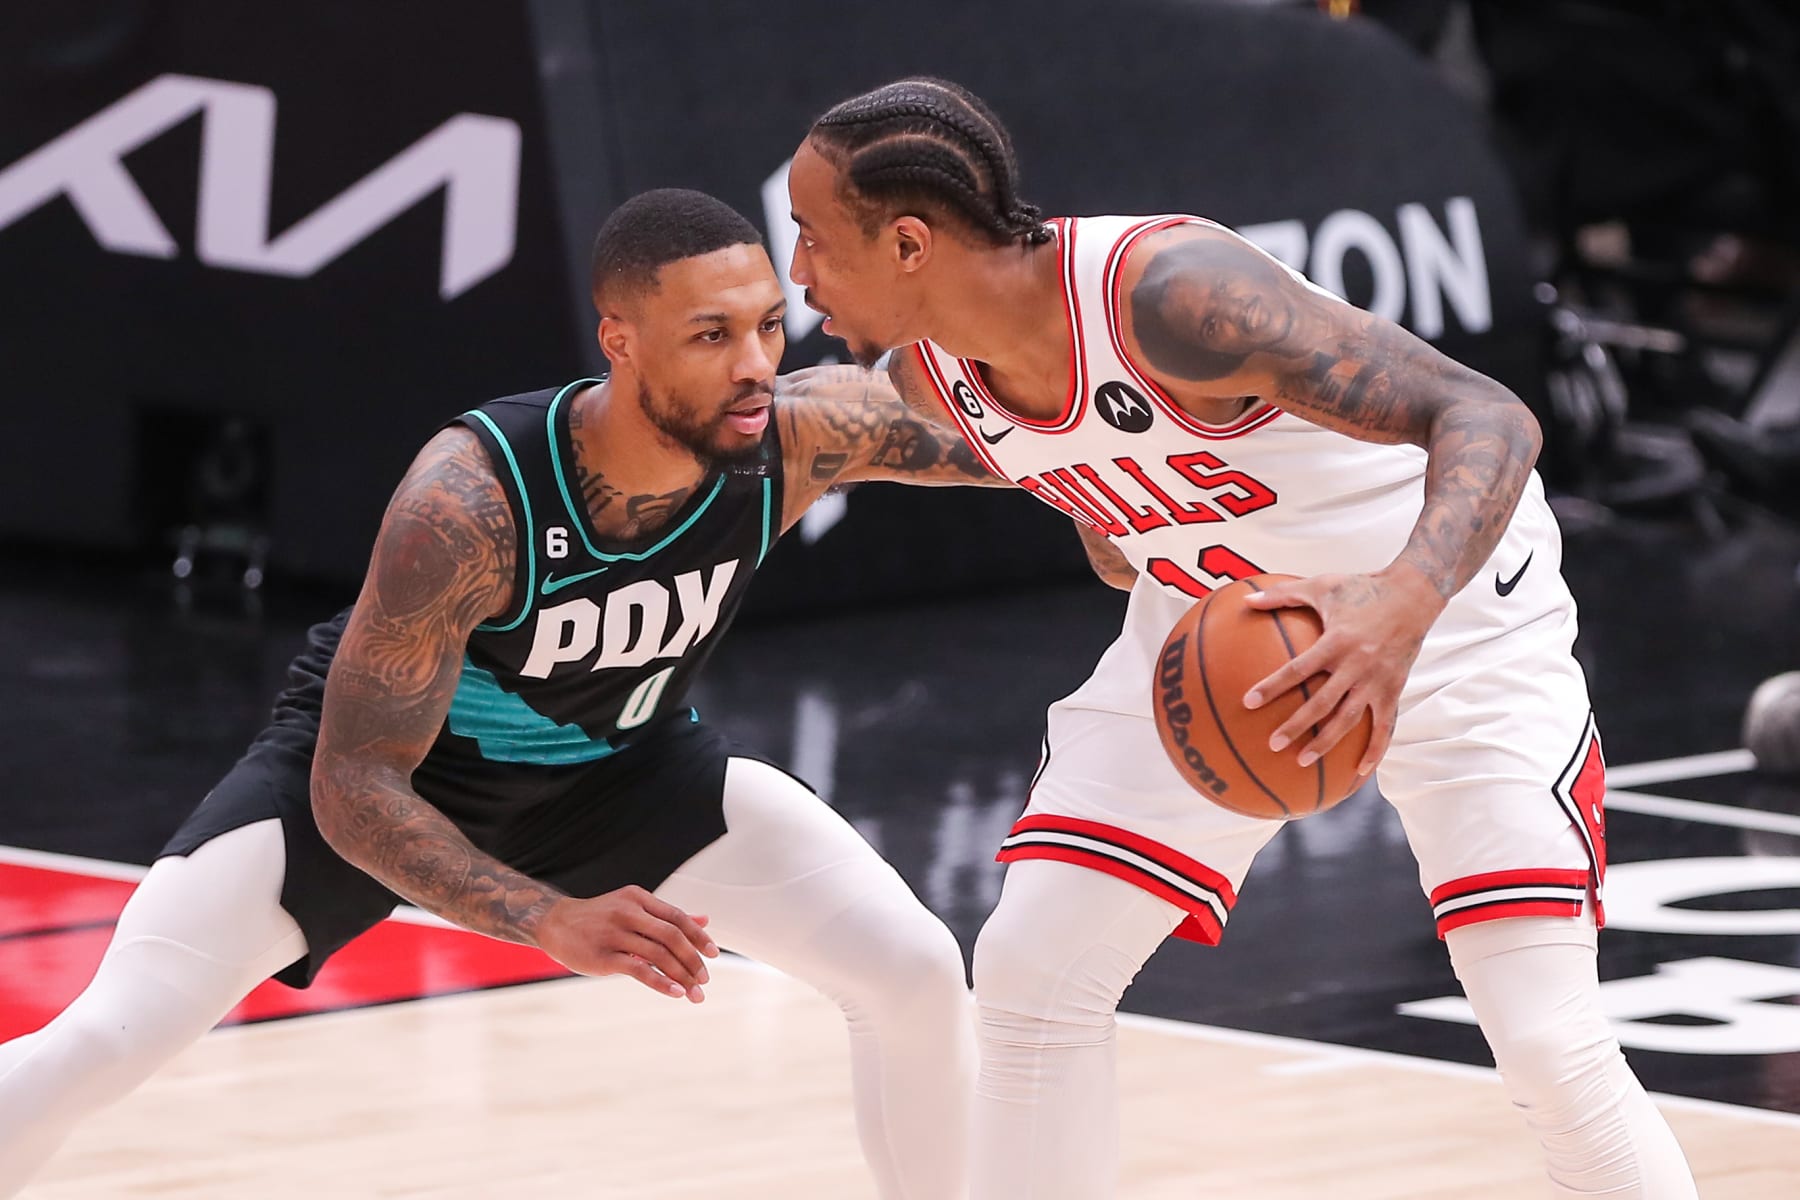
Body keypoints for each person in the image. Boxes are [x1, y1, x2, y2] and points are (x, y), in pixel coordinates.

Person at [785, 77, 1699, 1198]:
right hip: (1227, 635)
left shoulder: (1170, 296)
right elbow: (1050, 492)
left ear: (911, 243)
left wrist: (1399, 608)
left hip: (1454, 623)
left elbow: (1489, 415)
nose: (798, 273)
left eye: (813, 237)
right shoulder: (939, 375)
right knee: (1030, 971)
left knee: (1549, 1040)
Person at [0, 188, 1002, 1199]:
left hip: (625, 775)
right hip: (391, 784)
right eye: (711, 334)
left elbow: (1048, 444)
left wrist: (1138, 502)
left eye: (768, 326)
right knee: (105, 1043)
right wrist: (545, 918)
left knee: (913, 969)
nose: (755, 365)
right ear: (622, 340)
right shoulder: (471, 501)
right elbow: (355, 780)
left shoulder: (798, 435)